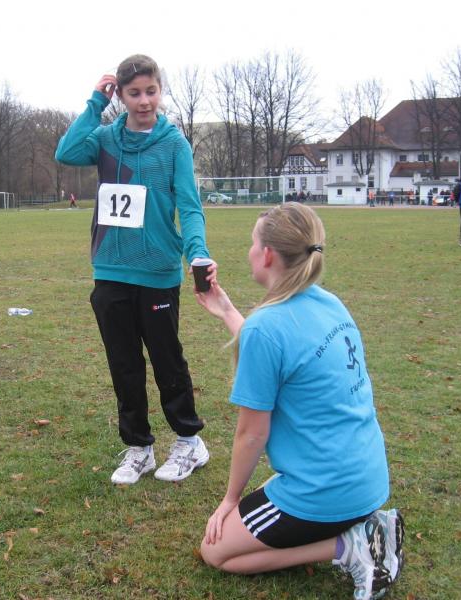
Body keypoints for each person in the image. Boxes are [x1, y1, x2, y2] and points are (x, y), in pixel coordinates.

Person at [195, 203, 404, 600]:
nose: (249, 251)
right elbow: (282, 351)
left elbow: (251, 435)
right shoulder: (328, 302)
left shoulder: (266, 328)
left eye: (252, 243)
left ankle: (351, 546)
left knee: (215, 552)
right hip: (368, 479)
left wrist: (230, 500)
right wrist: (226, 310)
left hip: (327, 489)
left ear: (267, 254)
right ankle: (364, 527)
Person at [55, 54, 214, 485]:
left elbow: (190, 207)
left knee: (167, 361)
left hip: (158, 271)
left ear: (160, 91)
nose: (144, 101)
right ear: (121, 96)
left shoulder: (175, 145)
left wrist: (197, 252)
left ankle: (189, 441)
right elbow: (66, 151)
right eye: (134, 93)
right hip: (110, 269)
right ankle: (139, 448)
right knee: (123, 364)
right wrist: (95, 103)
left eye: (151, 91)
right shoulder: (105, 139)